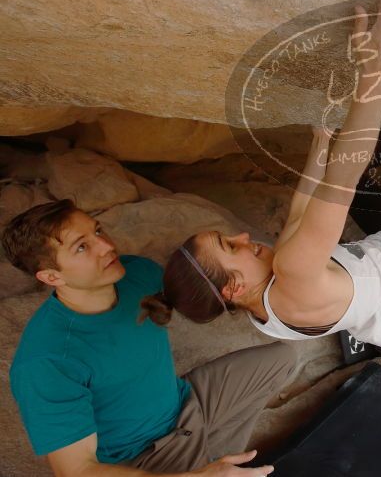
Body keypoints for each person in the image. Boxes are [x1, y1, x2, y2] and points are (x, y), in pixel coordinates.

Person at [152, 0, 381, 353]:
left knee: (353, 165)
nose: (242, 237)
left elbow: (301, 212)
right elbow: (342, 178)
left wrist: (322, 141)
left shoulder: (266, 310)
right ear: (232, 288)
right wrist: (378, 69)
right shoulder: (294, 274)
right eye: (229, 246)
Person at [3, 199, 297, 476]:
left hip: (185, 402)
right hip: (147, 454)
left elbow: (200, 294)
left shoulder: (138, 272)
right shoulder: (47, 360)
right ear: (51, 277)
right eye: (82, 247)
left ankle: (214, 461)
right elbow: (78, 470)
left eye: (97, 230)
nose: (106, 246)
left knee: (281, 359)